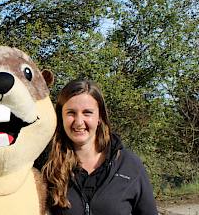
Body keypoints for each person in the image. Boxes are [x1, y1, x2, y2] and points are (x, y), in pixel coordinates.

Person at [42, 80, 158, 215]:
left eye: (87, 113)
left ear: (99, 117)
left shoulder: (129, 165)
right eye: (71, 113)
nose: (79, 122)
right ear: (61, 117)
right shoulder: (48, 168)